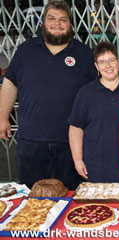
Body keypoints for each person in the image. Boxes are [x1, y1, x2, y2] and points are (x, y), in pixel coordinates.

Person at [0, 0, 97, 189]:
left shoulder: (84, 53)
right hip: (31, 140)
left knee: (73, 196)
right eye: (51, 18)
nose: (57, 23)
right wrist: (3, 117)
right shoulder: (25, 51)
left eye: (63, 19)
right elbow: (10, 83)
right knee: (32, 198)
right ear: (43, 22)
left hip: (72, 142)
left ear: (70, 24)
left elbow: (94, 94)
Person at [68, 42, 119, 183]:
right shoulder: (86, 93)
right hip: (96, 166)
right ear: (96, 66)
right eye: (102, 62)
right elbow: (76, 128)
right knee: (99, 205)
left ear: (118, 62)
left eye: (111, 60)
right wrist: (77, 160)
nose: (108, 66)